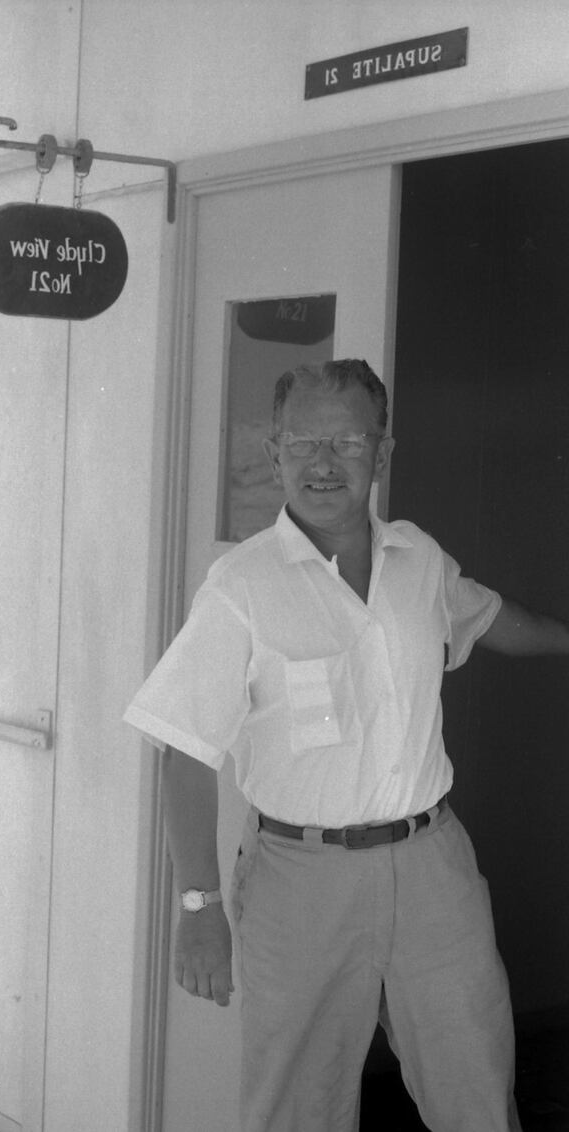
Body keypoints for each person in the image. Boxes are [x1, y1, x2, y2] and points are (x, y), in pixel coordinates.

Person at [124, 358, 569, 1132]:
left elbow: (496, 621)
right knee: (298, 1107)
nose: (324, 463)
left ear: (382, 454)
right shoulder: (241, 587)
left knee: (477, 1084)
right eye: (303, 443)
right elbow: (185, 752)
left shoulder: (419, 560)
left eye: (349, 443)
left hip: (434, 868)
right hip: (301, 881)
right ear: (275, 455)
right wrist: (198, 907)